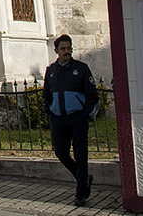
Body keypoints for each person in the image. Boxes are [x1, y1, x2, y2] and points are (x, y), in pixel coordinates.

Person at [44, 34, 99, 206]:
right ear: (56, 51)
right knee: (61, 152)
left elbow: (92, 95)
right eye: (63, 49)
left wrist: (86, 114)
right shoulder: (51, 71)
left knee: (81, 155)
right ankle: (84, 178)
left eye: (69, 48)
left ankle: (80, 194)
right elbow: (47, 95)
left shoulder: (81, 69)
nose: (67, 52)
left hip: (77, 118)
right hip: (58, 119)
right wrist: (50, 112)